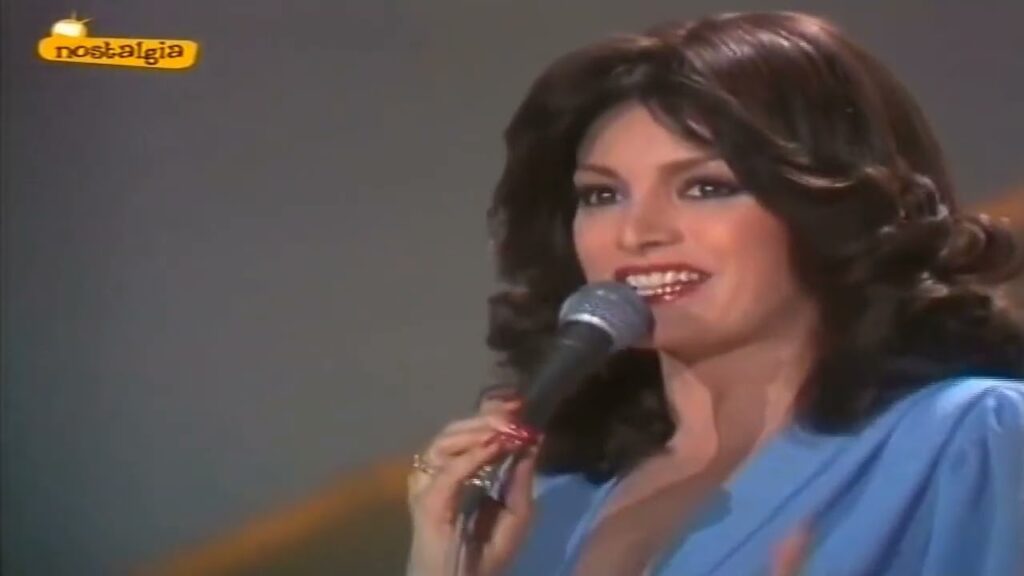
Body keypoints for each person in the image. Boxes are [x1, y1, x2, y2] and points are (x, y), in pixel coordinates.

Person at [406, 11, 1024, 576]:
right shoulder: (537, 507)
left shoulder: (974, 437)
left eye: (705, 187)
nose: (637, 233)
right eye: (601, 195)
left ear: (833, 205)